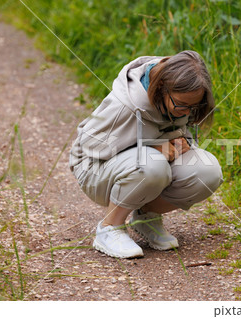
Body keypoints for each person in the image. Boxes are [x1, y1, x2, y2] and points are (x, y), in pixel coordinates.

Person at [69, 50, 223, 258]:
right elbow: (90, 146)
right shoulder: (125, 106)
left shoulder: (179, 98)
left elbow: (176, 132)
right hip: (93, 170)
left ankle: (146, 219)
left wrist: (181, 144)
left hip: (141, 165)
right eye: (182, 105)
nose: (187, 112)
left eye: (194, 107)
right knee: (153, 163)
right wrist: (156, 149)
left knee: (208, 171)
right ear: (160, 89)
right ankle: (109, 228)